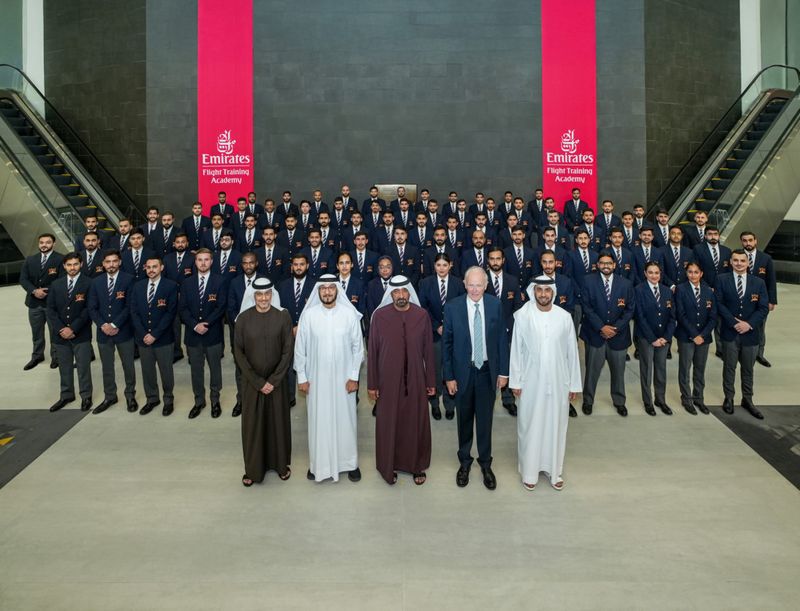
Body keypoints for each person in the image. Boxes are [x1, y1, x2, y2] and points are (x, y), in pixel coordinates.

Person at [510, 276, 581, 491]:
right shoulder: (523, 316)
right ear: (534, 291)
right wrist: (515, 380)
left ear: (553, 292)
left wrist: (573, 385)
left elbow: (572, 352)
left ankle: (554, 470)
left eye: (547, 290)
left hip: (559, 381)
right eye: (539, 290)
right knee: (530, 424)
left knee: (556, 425)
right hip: (530, 381)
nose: (543, 294)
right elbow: (516, 350)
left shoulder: (564, 317)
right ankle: (530, 471)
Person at [442, 266, 510, 490]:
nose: (474, 289)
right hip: (463, 373)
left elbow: (501, 339)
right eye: (470, 284)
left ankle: (485, 463)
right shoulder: (452, 307)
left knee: (485, 420)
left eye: (478, 285)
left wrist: (503, 372)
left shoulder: (495, 305)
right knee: (463, 420)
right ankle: (464, 461)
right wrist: (449, 376)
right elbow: (447, 345)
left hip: (487, 372)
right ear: (464, 284)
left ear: (486, 285)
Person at [295, 275, 364, 483]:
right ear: (318, 291)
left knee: (347, 420)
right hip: (316, 381)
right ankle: (318, 465)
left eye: (330, 288)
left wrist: (353, 376)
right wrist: (302, 377)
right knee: (318, 421)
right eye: (323, 288)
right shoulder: (308, 316)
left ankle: (350, 464)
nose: (327, 292)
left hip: (344, 380)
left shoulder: (349, 314)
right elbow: (300, 350)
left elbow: (358, 348)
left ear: (337, 290)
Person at [368, 276, 436, 485]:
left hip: (416, 379)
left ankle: (417, 466)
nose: (400, 295)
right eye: (396, 292)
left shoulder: (421, 315)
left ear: (409, 293)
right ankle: (391, 465)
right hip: (388, 380)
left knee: (415, 422)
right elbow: (373, 352)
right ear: (391, 294)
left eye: (404, 291)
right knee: (390, 423)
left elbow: (428, 352)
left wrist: (430, 381)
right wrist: (372, 384)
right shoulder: (379, 316)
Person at [234, 278, 294, 486]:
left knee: (278, 424)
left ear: (272, 295)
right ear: (253, 296)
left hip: (277, 384)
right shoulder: (243, 319)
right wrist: (258, 382)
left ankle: (280, 466)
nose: (263, 298)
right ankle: (253, 469)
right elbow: (238, 353)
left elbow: (288, 351)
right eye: (259, 295)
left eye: (267, 294)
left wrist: (274, 380)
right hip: (252, 384)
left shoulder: (283, 317)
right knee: (253, 426)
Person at [580, 251, 635, 416]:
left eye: (609, 263)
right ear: (597, 265)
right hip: (595, 335)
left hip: (618, 337)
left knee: (618, 372)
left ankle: (619, 402)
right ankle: (588, 401)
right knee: (591, 372)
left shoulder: (625, 284)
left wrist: (615, 328)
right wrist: (601, 327)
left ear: (614, 265)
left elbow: (629, 309)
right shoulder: (588, 281)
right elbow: (586, 307)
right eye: (602, 263)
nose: (606, 266)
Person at [715, 249, 769, 419]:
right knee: (729, 367)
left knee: (748, 369)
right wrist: (733, 322)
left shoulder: (758, 283)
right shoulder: (721, 280)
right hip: (730, 333)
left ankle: (747, 399)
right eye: (735, 260)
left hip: (750, 334)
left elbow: (763, 308)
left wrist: (749, 324)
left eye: (742, 261)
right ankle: (729, 398)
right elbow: (719, 304)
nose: (739, 263)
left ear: (748, 263)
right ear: (730, 262)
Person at [87, 250, 138, 414]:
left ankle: (130, 395)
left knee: (128, 365)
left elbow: (130, 306)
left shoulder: (129, 279)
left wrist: (115, 324)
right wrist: (103, 325)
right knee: (107, 366)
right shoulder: (96, 282)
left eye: (114, 261)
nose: (111, 265)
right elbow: (92, 307)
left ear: (120, 262)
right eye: (108, 262)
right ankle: (110, 396)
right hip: (103, 333)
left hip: (123, 331)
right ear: (103, 264)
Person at [181, 248, 227, 418]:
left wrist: (206, 324)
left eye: (206, 259)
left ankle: (215, 401)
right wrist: (195, 325)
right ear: (195, 262)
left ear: (212, 262)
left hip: (212, 334)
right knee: (196, 371)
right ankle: (199, 401)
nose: (203, 263)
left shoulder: (220, 281)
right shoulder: (187, 283)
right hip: (193, 336)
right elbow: (183, 309)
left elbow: (220, 306)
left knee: (215, 369)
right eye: (200, 260)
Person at [418, 253, 465, 420]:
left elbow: (462, 307)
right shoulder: (425, 283)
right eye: (438, 265)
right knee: (434, 369)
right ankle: (435, 403)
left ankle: (449, 403)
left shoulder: (459, 283)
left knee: (450, 369)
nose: (442, 268)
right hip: (434, 335)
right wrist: (436, 326)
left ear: (450, 265)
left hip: (454, 334)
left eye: (445, 265)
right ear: (434, 266)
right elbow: (423, 308)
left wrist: (450, 327)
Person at [131, 256, 178, 416]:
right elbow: (134, 312)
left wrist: (155, 334)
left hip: (163, 338)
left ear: (161, 268)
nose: (151, 270)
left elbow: (170, 313)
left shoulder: (170, 286)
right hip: (143, 339)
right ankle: (152, 398)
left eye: (154, 266)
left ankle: (168, 400)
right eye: (148, 267)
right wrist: (144, 334)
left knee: (166, 371)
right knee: (147, 370)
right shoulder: (138, 286)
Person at [46, 253, 93, 412]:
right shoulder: (56, 284)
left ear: (81, 264)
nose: (72, 268)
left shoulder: (89, 283)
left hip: (81, 334)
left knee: (83, 367)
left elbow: (88, 309)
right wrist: (61, 329)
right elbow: (51, 310)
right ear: (64, 266)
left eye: (75, 264)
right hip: (60, 336)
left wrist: (72, 328)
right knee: (64, 367)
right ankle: (66, 395)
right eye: (69, 265)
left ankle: (86, 396)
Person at [634, 261, 676, 416]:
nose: (654, 275)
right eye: (650, 272)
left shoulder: (667, 291)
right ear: (645, 273)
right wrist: (652, 338)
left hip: (663, 338)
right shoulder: (638, 290)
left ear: (660, 274)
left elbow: (672, 317)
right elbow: (640, 316)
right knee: (647, 370)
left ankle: (661, 399)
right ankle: (648, 401)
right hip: (647, 338)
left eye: (656, 273)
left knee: (661, 369)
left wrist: (666, 337)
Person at [674, 261, 716, 415]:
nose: (693, 275)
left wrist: (702, 335)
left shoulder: (709, 291)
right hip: (686, 336)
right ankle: (687, 398)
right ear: (686, 273)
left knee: (700, 368)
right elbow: (681, 314)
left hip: (704, 338)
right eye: (690, 272)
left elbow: (713, 316)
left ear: (701, 274)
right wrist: (694, 334)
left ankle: (699, 398)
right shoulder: (681, 289)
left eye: (696, 272)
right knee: (685, 368)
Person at [20, 233, 63, 370]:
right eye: (42, 242)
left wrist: (45, 292)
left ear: (53, 244)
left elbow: (61, 280)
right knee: (36, 332)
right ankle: (37, 356)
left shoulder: (60, 259)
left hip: (52, 303)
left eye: (48, 242)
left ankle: (56, 357)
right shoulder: (30, 260)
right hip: (34, 303)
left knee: (54, 331)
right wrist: (34, 291)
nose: (44, 245)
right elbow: (23, 279)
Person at [740, 231, 777, 367]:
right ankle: (741, 353)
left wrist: (772, 300)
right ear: (741, 242)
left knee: (760, 328)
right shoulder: (737, 256)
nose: (748, 243)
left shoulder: (765, 258)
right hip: (741, 299)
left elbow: (771, 280)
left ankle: (759, 354)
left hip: (761, 301)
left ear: (756, 241)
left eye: (750, 240)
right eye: (745, 240)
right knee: (740, 326)